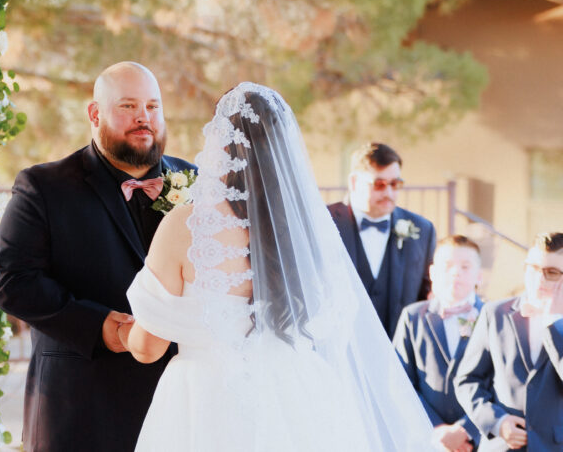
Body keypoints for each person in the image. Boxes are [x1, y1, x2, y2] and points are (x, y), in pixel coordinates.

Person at [119, 82, 435, 451]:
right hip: (297, 390)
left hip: (206, 400)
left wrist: (120, 331)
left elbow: (148, 347)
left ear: (222, 142)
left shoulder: (187, 224)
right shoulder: (307, 230)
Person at [0, 61, 195, 452]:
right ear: (95, 113)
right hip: (80, 406)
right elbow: (11, 283)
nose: (143, 118)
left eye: (153, 107)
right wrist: (102, 326)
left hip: (179, 402)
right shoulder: (43, 187)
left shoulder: (197, 181)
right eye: (128, 106)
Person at [455, 232, 563, 452]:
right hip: (502, 446)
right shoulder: (494, 313)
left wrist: (553, 322)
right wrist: (496, 421)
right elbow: (467, 380)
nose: (539, 279)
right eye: (533, 268)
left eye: (551, 273)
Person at [328, 142, 437, 337]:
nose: (388, 193)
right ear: (353, 182)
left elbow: (426, 296)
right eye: (378, 184)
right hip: (337, 346)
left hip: (396, 352)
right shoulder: (323, 222)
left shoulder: (422, 229)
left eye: (395, 184)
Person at [394, 235, 485, 452]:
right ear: (432, 273)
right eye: (448, 266)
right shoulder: (413, 317)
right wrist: (437, 430)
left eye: (465, 267)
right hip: (427, 438)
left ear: (479, 276)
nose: (456, 273)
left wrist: (465, 430)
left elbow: (499, 384)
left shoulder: (493, 318)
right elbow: (399, 380)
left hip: (479, 440)